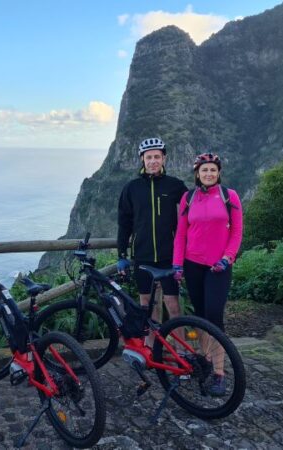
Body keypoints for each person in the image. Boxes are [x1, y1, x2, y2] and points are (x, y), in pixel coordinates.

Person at [172, 152, 243, 396]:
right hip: (192, 265)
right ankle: (205, 360)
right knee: (201, 316)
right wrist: (177, 264)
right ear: (197, 174)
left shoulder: (229, 196)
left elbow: (236, 232)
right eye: (205, 170)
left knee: (214, 315)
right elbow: (181, 234)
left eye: (213, 170)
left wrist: (227, 258)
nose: (209, 174)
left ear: (219, 172)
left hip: (218, 266)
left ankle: (220, 373)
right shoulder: (188, 198)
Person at [117, 137, 188, 328]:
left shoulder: (175, 185)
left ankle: (179, 350)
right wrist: (122, 255)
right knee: (146, 304)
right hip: (142, 255)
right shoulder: (131, 188)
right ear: (142, 159)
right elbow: (124, 223)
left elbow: (192, 213)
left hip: (169, 256)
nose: (153, 161)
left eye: (157, 156)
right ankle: (151, 349)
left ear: (164, 159)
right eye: (149, 157)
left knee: (173, 305)